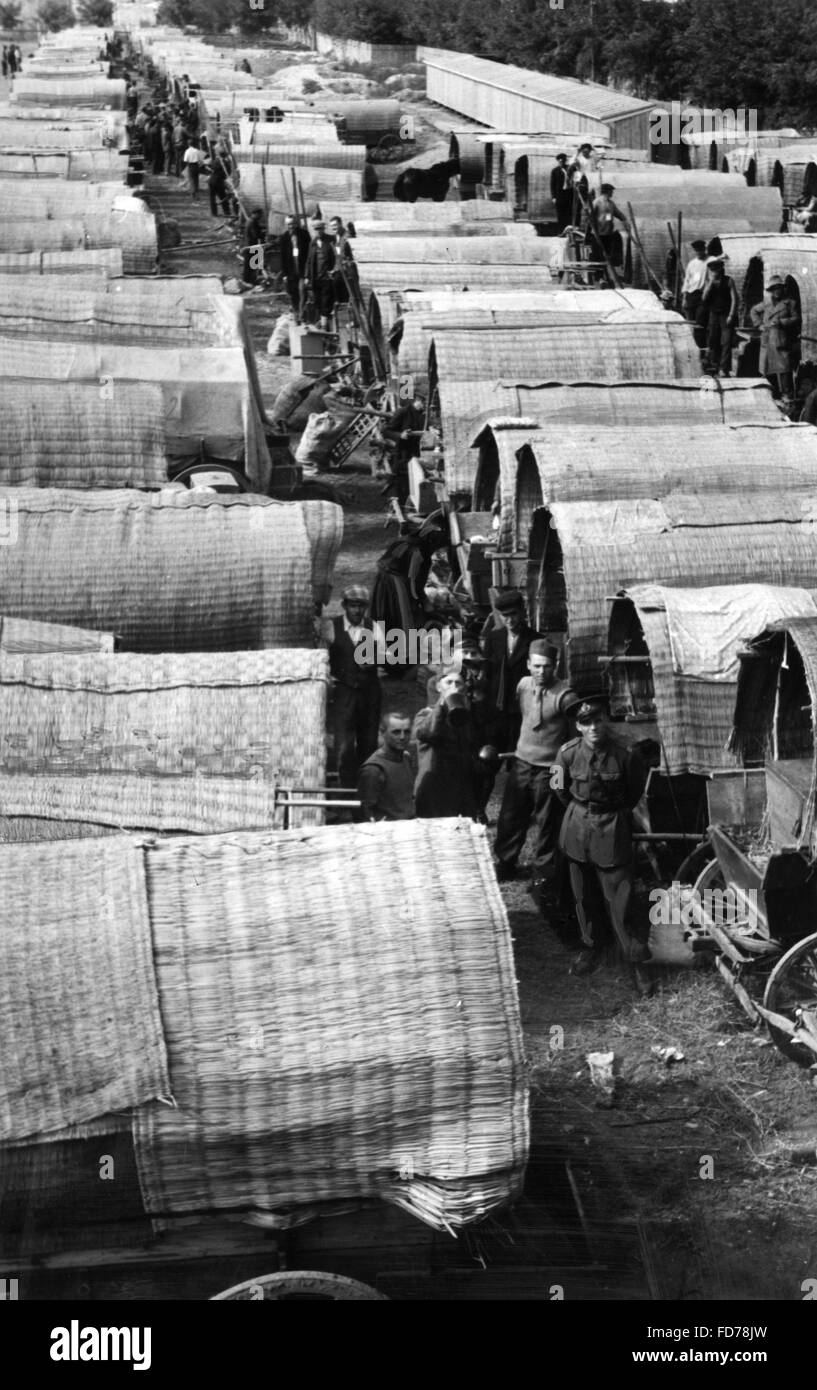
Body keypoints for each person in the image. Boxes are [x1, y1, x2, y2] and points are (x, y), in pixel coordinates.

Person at [553, 695, 652, 993]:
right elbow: (558, 787)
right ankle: (591, 948)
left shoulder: (626, 754)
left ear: (606, 721)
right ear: (578, 726)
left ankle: (637, 962)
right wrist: (579, 811)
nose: (594, 726)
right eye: (586, 722)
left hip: (612, 830)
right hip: (577, 828)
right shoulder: (567, 753)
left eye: (598, 720)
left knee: (620, 898)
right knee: (583, 897)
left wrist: (613, 815)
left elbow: (635, 792)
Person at [494, 640, 578, 897]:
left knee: (548, 824)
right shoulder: (522, 685)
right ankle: (505, 864)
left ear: (556, 666)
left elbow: (576, 736)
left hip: (550, 770)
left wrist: (564, 768)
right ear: (529, 664)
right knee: (510, 817)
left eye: (548, 667)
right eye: (537, 666)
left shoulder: (566, 696)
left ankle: (544, 875)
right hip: (522, 762)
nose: (542, 672)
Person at [413, 667, 488, 819]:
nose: (454, 686)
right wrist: (443, 703)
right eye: (449, 682)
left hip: (460, 787)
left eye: (458, 683)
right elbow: (429, 733)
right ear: (439, 687)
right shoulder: (425, 714)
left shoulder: (465, 719)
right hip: (433, 787)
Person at [327, 584, 382, 790]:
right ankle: (345, 792)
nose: (357, 611)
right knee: (344, 747)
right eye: (353, 606)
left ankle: (367, 791)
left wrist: (374, 660)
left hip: (370, 694)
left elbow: (387, 656)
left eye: (362, 606)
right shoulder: (332, 627)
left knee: (368, 743)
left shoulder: (373, 627)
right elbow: (324, 658)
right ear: (344, 605)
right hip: (344, 693)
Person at [482, 590, 543, 753]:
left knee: (519, 755)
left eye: (513, 614)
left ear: (522, 612)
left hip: (522, 709)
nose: (509, 620)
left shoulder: (535, 640)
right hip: (497, 708)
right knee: (491, 754)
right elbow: (487, 673)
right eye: (504, 615)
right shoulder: (493, 638)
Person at [749, 273, 800, 403]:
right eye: (773, 289)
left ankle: (786, 395)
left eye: (778, 288)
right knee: (766, 368)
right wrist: (759, 324)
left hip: (780, 338)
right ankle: (771, 393)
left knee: (784, 368)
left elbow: (796, 318)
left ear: (782, 289)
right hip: (767, 338)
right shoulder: (766, 303)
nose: (776, 291)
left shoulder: (790, 303)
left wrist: (782, 322)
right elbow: (754, 311)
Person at [357, 713, 415, 821]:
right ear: (382, 733)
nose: (402, 737)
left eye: (406, 732)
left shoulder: (406, 758)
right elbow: (364, 814)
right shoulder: (373, 769)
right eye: (396, 732)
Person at [381, 394, 426, 509]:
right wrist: (400, 435)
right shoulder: (403, 412)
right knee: (402, 482)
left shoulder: (422, 415)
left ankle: (408, 505)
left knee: (412, 480)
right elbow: (386, 431)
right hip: (402, 452)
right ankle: (400, 508)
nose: (426, 407)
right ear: (419, 401)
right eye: (425, 404)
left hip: (414, 452)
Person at [700, 256, 738, 376]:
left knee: (726, 341)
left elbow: (734, 299)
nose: (715, 271)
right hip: (713, 315)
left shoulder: (728, 280)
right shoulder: (708, 282)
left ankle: (724, 368)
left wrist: (731, 314)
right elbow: (704, 298)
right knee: (713, 340)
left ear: (721, 269)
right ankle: (715, 365)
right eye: (712, 269)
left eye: (717, 269)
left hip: (726, 315)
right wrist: (710, 283)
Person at [303, 219, 337, 331]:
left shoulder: (331, 240)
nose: (318, 231)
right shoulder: (312, 243)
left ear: (323, 229)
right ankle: (322, 323)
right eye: (316, 229)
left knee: (326, 301)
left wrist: (333, 271)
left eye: (320, 229)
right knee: (318, 301)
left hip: (327, 278)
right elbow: (308, 260)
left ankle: (324, 326)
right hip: (315, 278)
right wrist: (307, 276)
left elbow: (337, 257)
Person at [278, 213, 310, 318]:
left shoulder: (304, 235)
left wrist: (307, 273)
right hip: (291, 272)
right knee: (293, 293)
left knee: (302, 292)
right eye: (289, 224)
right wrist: (284, 275)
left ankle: (302, 314)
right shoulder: (284, 238)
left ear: (296, 223)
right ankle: (296, 312)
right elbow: (282, 257)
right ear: (286, 225)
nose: (291, 226)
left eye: (293, 224)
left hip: (302, 271)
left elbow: (309, 255)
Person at [590, 183, 629, 269]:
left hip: (608, 233)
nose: (612, 193)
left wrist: (625, 220)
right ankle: (599, 278)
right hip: (598, 234)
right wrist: (594, 227)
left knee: (607, 256)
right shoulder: (597, 202)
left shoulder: (611, 204)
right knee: (598, 256)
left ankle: (605, 275)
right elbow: (590, 216)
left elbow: (618, 214)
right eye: (611, 191)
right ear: (606, 192)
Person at [681, 238, 710, 349]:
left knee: (700, 323)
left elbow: (720, 259)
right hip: (690, 295)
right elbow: (687, 280)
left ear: (704, 249)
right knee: (690, 323)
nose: (699, 252)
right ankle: (691, 347)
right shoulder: (692, 264)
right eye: (697, 250)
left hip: (701, 295)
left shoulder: (709, 260)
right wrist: (684, 298)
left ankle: (700, 348)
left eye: (701, 250)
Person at [241, 206, 268, 286]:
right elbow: (256, 235)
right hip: (251, 246)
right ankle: (248, 280)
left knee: (252, 264)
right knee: (251, 265)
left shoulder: (251, 221)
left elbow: (258, 229)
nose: (260, 216)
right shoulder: (252, 222)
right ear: (255, 214)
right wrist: (263, 234)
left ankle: (250, 280)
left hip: (251, 245)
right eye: (260, 215)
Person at [550, 152, 574, 233]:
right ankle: (561, 231)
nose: (561, 162)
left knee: (569, 213)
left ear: (565, 161)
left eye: (563, 160)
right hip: (560, 195)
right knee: (561, 214)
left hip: (569, 194)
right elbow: (552, 185)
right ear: (558, 161)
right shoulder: (555, 171)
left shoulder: (570, 169)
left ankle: (569, 232)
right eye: (559, 161)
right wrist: (553, 197)